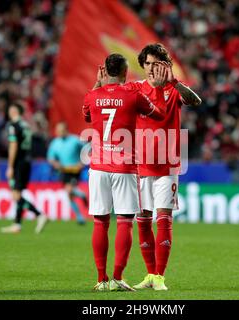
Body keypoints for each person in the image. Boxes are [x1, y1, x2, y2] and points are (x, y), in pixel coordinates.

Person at [83, 53, 167, 292]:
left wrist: (96, 86)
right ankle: (118, 278)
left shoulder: (92, 95)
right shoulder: (133, 95)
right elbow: (160, 115)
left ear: (105, 72)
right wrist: (159, 90)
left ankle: (101, 279)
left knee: (100, 222)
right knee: (124, 222)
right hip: (124, 167)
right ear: (123, 72)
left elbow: (86, 115)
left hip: (98, 166)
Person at [129, 44, 202, 290]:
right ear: (142, 65)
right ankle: (149, 274)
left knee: (163, 219)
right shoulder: (136, 89)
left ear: (165, 66)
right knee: (142, 219)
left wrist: (176, 82)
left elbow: (196, 101)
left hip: (168, 165)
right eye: (147, 63)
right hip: (140, 164)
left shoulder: (174, 88)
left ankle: (160, 276)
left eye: (156, 63)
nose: (151, 68)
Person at [0, 102, 48, 234]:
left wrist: (10, 166)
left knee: (16, 195)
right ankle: (17, 224)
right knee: (18, 193)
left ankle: (39, 215)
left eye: (10, 109)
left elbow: (13, 145)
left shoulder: (13, 126)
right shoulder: (26, 125)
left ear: (14, 111)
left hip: (19, 163)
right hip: (27, 161)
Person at [47, 122, 88, 225]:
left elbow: (86, 150)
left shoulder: (75, 140)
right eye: (57, 131)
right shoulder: (55, 143)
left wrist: (82, 162)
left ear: (66, 130)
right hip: (64, 170)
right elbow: (50, 157)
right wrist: (55, 163)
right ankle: (79, 216)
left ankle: (81, 198)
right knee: (69, 194)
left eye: (61, 130)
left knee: (69, 190)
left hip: (74, 170)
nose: (59, 133)